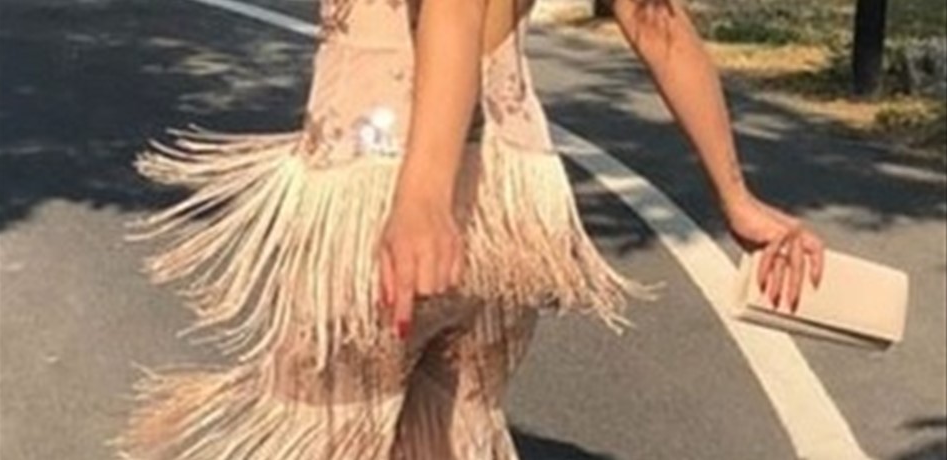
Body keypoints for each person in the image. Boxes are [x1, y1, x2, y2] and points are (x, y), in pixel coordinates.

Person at [109, 0, 825, 458]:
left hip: (379, 192)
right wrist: (736, 197)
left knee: (315, 437)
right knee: (456, 438)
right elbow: (653, 19)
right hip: (512, 204)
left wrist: (423, 196)